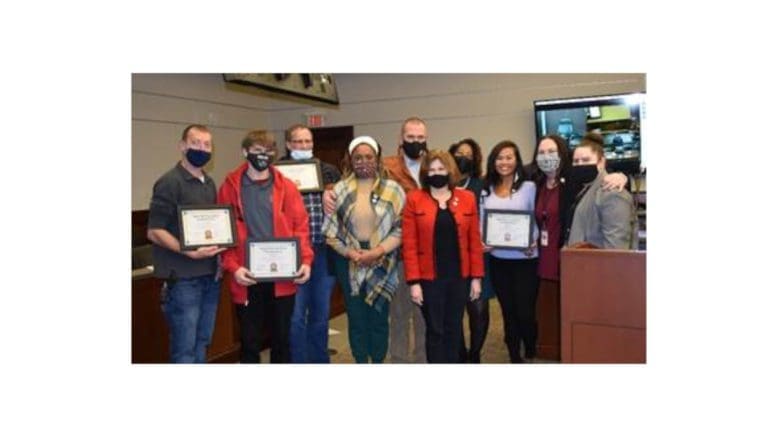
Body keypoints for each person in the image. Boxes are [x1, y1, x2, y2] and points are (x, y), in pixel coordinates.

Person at [323, 117, 428, 363]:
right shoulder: (338, 190)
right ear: (350, 160)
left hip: (383, 261)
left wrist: (378, 251)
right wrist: (351, 253)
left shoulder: (394, 189)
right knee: (357, 319)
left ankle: (378, 361)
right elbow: (330, 232)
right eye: (358, 157)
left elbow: (402, 228)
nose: (363, 162)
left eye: (369, 157)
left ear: (378, 159)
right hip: (349, 263)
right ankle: (361, 361)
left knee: (380, 318)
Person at [217, 130, 313, 363]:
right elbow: (223, 232)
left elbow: (300, 226)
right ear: (245, 152)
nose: (263, 156)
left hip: (282, 277)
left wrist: (306, 262)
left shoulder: (287, 186)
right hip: (247, 276)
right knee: (249, 342)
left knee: (281, 339)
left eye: (269, 151)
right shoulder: (230, 187)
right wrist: (233, 267)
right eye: (258, 151)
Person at [530, 134, 628, 360]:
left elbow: (604, 187)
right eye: (542, 153)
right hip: (546, 259)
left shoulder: (573, 180)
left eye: (552, 152)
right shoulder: (534, 181)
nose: (547, 157)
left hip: (583, 265)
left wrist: (622, 176)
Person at [146, 124, 225, 363]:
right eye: (195, 143)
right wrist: (188, 252)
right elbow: (154, 231)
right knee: (185, 347)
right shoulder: (169, 182)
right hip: (183, 280)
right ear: (182, 146)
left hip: (210, 276)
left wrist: (219, 259)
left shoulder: (209, 183)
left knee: (203, 340)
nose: (201, 149)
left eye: (207, 144)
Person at [402, 150, 484, 363]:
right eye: (432, 169)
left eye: (441, 168)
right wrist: (414, 282)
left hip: (459, 277)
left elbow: (474, 241)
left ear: (450, 171)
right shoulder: (414, 199)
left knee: (454, 328)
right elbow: (409, 244)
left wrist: (476, 278)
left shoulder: (467, 198)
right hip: (429, 280)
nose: (436, 173)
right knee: (435, 330)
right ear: (425, 172)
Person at [279, 124, 342, 364]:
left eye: (308, 141)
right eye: (298, 142)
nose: (304, 146)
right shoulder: (277, 173)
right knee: (295, 316)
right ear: (288, 145)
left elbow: (342, 203)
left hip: (322, 250)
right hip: (292, 253)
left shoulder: (328, 171)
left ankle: (319, 362)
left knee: (321, 314)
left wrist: (331, 191)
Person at [481, 140, 539, 363]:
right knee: (508, 311)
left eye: (509, 157)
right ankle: (514, 355)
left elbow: (538, 218)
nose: (504, 162)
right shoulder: (487, 190)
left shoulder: (530, 188)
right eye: (499, 157)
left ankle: (531, 348)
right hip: (499, 261)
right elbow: (482, 221)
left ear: (517, 161)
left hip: (526, 260)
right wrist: (484, 240)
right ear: (493, 161)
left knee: (525, 311)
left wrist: (533, 241)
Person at [449, 138, 493, 363]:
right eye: (458, 153)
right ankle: (460, 355)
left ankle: (475, 354)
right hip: (451, 259)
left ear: (475, 160)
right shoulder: (442, 185)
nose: (463, 157)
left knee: (479, 310)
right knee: (454, 310)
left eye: (468, 154)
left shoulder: (482, 185)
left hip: (478, 257)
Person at [566, 132, 638, 249]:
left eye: (585, 160)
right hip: (581, 263)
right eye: (576, 161)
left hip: (598, 266)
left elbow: (616, 252)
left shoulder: (612, 194)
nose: (580, 165)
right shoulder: (584, 188)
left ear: (601, 162)